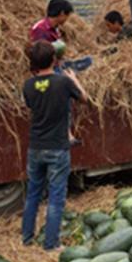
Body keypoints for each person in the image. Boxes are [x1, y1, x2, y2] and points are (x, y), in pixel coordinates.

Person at [21, 40, 88, 251]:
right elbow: (85, 99)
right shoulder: (63, 82)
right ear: (54, 59)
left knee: (32, 194)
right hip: (57, 147)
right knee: (55, 198)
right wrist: (74, 80)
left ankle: (26, 239)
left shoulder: (28, 86)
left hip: (36, 148)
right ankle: (51, 244)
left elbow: (32, 105)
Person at [30, 0, 92, 72]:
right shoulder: (40, 29)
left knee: (88, 60)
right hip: (47, 69)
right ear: (62, 14)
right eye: (67, 15)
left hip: (56, 63)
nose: (67, 19)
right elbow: (39, 57)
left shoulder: (55, 28)